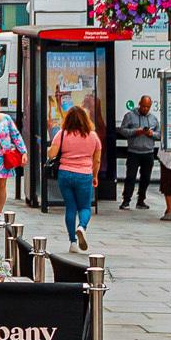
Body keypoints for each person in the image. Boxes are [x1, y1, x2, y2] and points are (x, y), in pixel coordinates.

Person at [52, 102, 104, 249]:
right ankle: (82, 227)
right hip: (84, 174)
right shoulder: (93, 136)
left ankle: (72, 242)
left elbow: (52, 154)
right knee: (85, 207)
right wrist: (95, 176)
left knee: (70, 208)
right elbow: (97, 159)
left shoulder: (61, 134)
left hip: (65, 173)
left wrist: (51, 149)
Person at [120, 96, 162, 209]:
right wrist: (135, 131)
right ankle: (126, 200)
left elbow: (160, 134)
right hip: (133, 152)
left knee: (146, 178)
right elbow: (122, 130)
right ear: (139, 104)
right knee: (130, 177)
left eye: (148, 107)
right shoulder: (130, 116)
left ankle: (141, 200)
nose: (145, 109)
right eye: (143, 106)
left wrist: (151, 134)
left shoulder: (153, 119)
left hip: (148, 152)